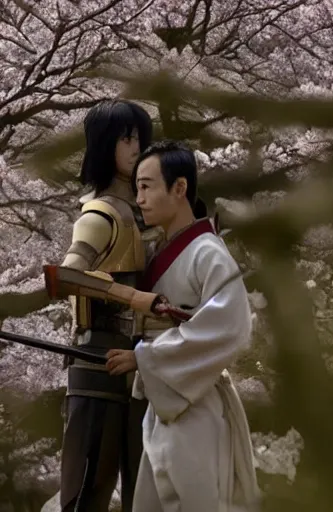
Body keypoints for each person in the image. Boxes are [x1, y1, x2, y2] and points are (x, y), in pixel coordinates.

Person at [105, 140, 261, 511]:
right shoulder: (163, 250)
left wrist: (144, 357)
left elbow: (231, 326)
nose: (139, 198)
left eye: (147, 186)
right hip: (167, 400)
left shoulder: (207, 252)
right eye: (137, 187)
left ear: (179, 188)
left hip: (197, 401)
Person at [59, 99, 160, 512]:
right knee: (89, 488)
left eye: (139, 137)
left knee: (144, 487)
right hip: (96, 359)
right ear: (105, 144)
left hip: (139, 363)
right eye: (125, 138)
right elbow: (68, 274)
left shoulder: (144, 213)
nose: (135, 146)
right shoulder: (99, 214)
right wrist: (132, 297)